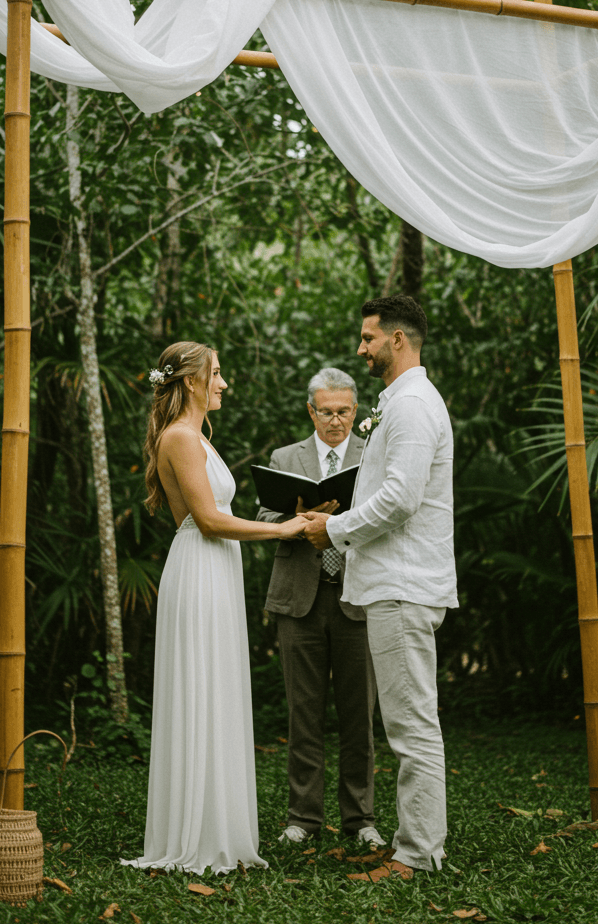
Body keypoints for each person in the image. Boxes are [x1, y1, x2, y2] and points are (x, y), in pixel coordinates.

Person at [121, 340, 308, 876]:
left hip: (213, 567)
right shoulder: (181, 437)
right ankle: (195, 836)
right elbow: (207, 520)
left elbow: (209, 515)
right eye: (218, 374)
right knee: (199, 686)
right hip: (201, 567)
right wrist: (283, 529)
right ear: (192, 382)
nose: (224, 383)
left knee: (217, 687)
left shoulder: (197, 437)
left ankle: (218, 825)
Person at [301, 296, 456, 879]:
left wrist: (332, 528)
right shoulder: (400, 402)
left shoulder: (413, 405)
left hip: (404, 584)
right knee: (405, 723)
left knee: (413, 726)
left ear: (397, 340)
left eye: (368, 338)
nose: (360, 348)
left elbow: (401, 498)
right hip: (394, 583)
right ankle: (407, 844)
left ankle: (418, 856)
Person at [256, 368, 382, 847]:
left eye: (344, 411)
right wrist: (305, 519)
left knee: (359, 717)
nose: (335, 420)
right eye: (326, 412)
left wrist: (340, 521)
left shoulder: (374, 455)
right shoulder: (285, 458)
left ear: (356, 411)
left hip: (358, 596)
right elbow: (264, 516)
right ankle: (303, 820)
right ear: (311, 411)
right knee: (302, 715)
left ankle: (360, 821)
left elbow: (387, 518)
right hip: (299, 600)